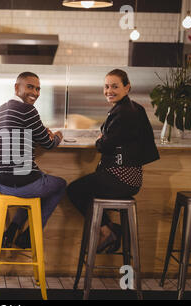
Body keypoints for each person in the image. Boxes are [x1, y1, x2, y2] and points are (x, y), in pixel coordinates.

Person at [66, 69, 159, 254]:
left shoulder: (123, 112)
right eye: (106, 86)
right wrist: (105, 137)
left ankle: (108, 231)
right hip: (131, 179)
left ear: (127, 87)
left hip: (119, 178)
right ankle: (110, 229)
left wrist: (101, 139)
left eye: (115, 86)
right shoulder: (134, 108)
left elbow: (105, 146)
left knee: (74, 190)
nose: (109, 90)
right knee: (86, 190)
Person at [0, 72, 67, 249]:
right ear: (16, 88)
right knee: (59, 185)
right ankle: (30, 235)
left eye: (38, 88)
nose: (35, 92)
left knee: (40, 182)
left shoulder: (2, 108)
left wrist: (41, 134)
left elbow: (23, 134)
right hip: (23, 183)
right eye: (30, 86)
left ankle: (12, 230)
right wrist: (57, 136)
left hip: (3, 183)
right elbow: (49, 144)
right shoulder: (28, 110)